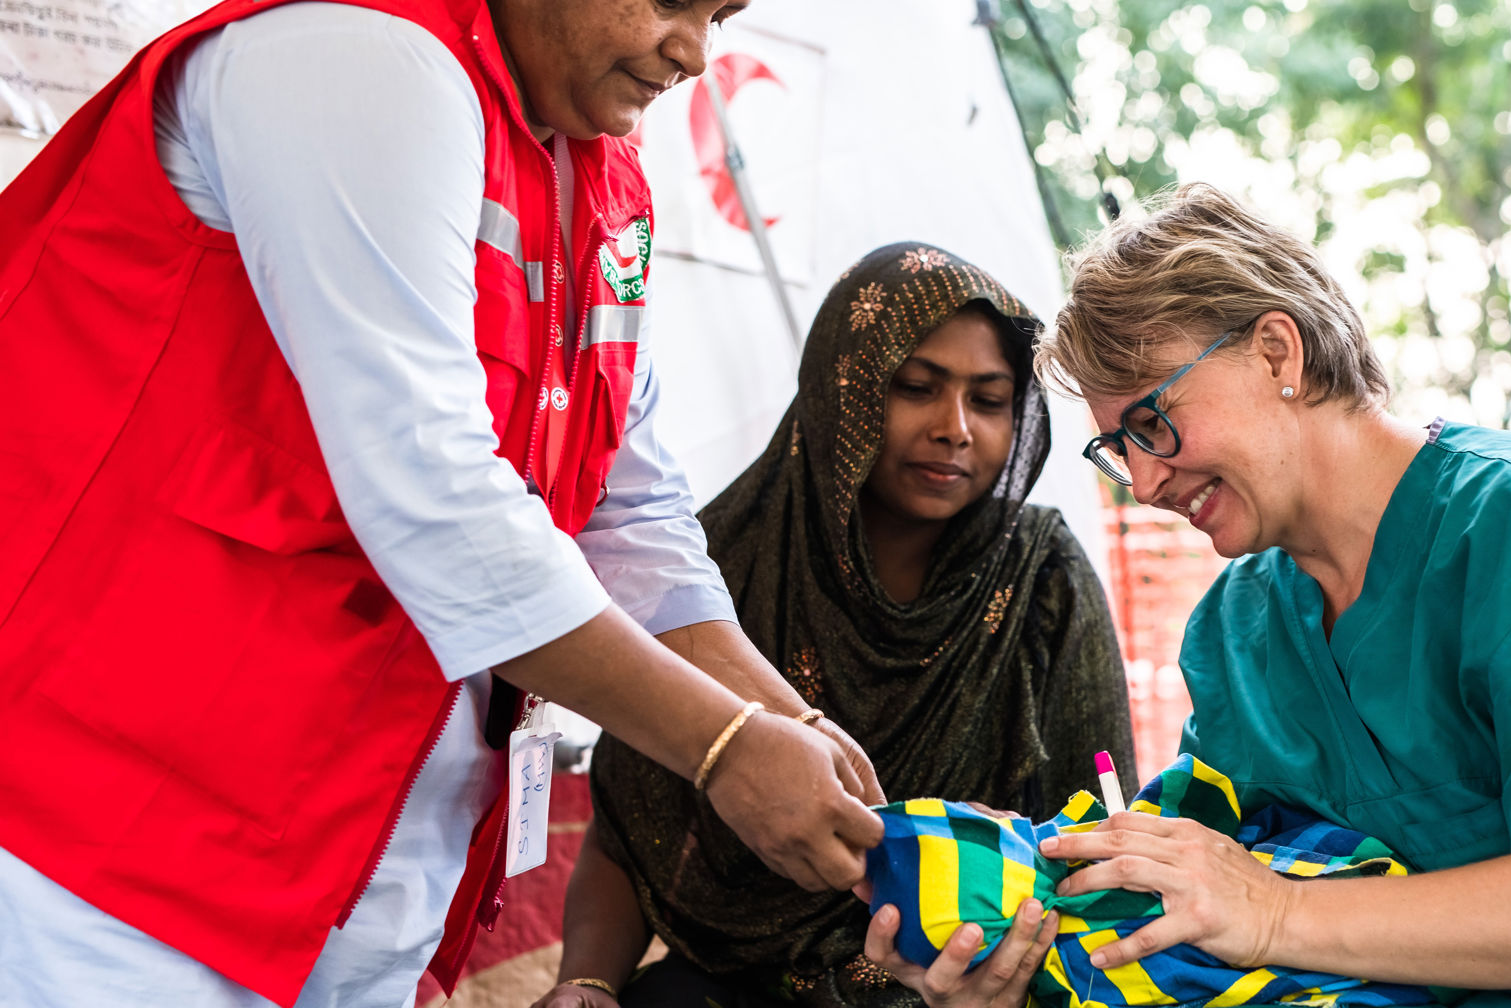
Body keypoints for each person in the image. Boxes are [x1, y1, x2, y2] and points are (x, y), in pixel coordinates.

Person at [0, 1, 885, 1006]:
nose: (695, 51)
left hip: (351, 873)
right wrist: (723, 748)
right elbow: (437, 495)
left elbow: (624, 513)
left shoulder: (603, 175)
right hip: (104, 861)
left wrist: (785, 719)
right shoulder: (356, 57)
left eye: (721, 13)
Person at [1028, 184, 1511, 1007]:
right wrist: (1008, 948)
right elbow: (1205, 913)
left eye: (1153, 421)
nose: (1146, 481)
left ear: (1276, 354)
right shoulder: (1236, 633)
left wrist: (1277, 910)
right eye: (1117, 450)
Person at [531, 243, 1138, 1008]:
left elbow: (1102, 831)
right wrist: (584, 984)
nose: (955, 428)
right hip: (726, 985)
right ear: (838, 392)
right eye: (915, 387)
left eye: (989, 401)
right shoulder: (717, 568)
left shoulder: (1041, 579)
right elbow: (630, 822)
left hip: (957, 987)